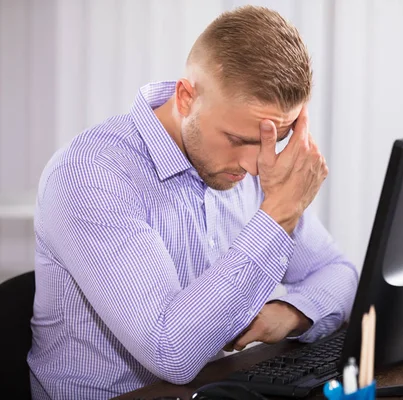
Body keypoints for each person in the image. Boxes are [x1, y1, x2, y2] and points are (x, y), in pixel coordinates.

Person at [27, 5, 358, 399]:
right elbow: (172, 351)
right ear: (186, 97)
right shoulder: (90, 175)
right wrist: (279, 214)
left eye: (277, 139)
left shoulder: (242, 163)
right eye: (239, 140)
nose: (255, 166)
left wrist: (295, 312)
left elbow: (340, 273)